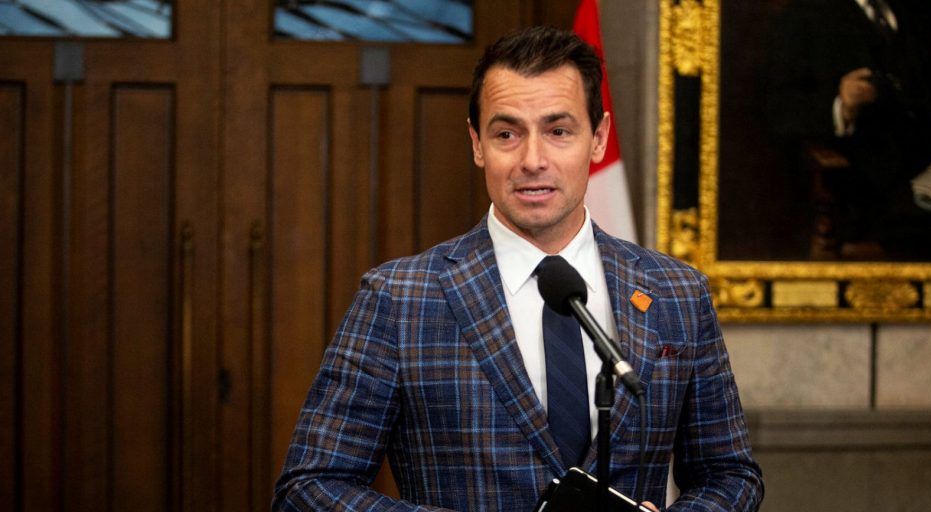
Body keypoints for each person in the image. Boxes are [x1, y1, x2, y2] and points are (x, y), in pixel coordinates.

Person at [273, 26, 763, 511]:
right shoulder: (398, 298)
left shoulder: (677, 292)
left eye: (558, 131)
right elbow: (310, 486)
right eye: (507, 134)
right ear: (477, 143)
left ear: (598, 138)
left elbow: (730, 475)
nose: (533, 160)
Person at [766, 0, 931, 261]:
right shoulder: (807, 15)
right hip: (864, 190)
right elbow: (780, 108)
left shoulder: (922, 10)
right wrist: (841, 107)